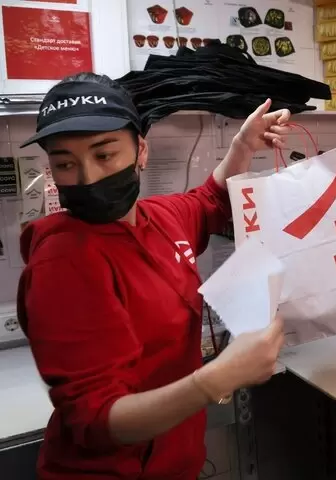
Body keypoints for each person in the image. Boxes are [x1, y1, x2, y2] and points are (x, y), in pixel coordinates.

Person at [16, 72, 289, 479]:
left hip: (175, 462)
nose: (88, 178)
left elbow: (209, 199)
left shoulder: (159, 217)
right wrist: (216, 378)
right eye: (65, 163)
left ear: (141, 150)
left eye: (104, 154)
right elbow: (97, 420)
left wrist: (242, 146)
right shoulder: (62, 263)